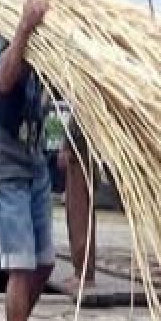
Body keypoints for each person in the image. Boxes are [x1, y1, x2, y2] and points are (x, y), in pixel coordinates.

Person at [0, 0, 56, 321]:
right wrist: (25, 29)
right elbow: (5, 81)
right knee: (21, 265)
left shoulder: (51, 62)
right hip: (6, 167)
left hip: (34, 165)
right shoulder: (7, 46)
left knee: (44, 264)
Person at [58, 115, 96, 293]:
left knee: (81, 220)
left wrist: (69, 151)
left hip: (81, 165)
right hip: (76, 166)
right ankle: (79, 270)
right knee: (74, 219)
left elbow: (84, 139)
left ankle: (84, 274)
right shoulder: (78, 111)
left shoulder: (87, 112)